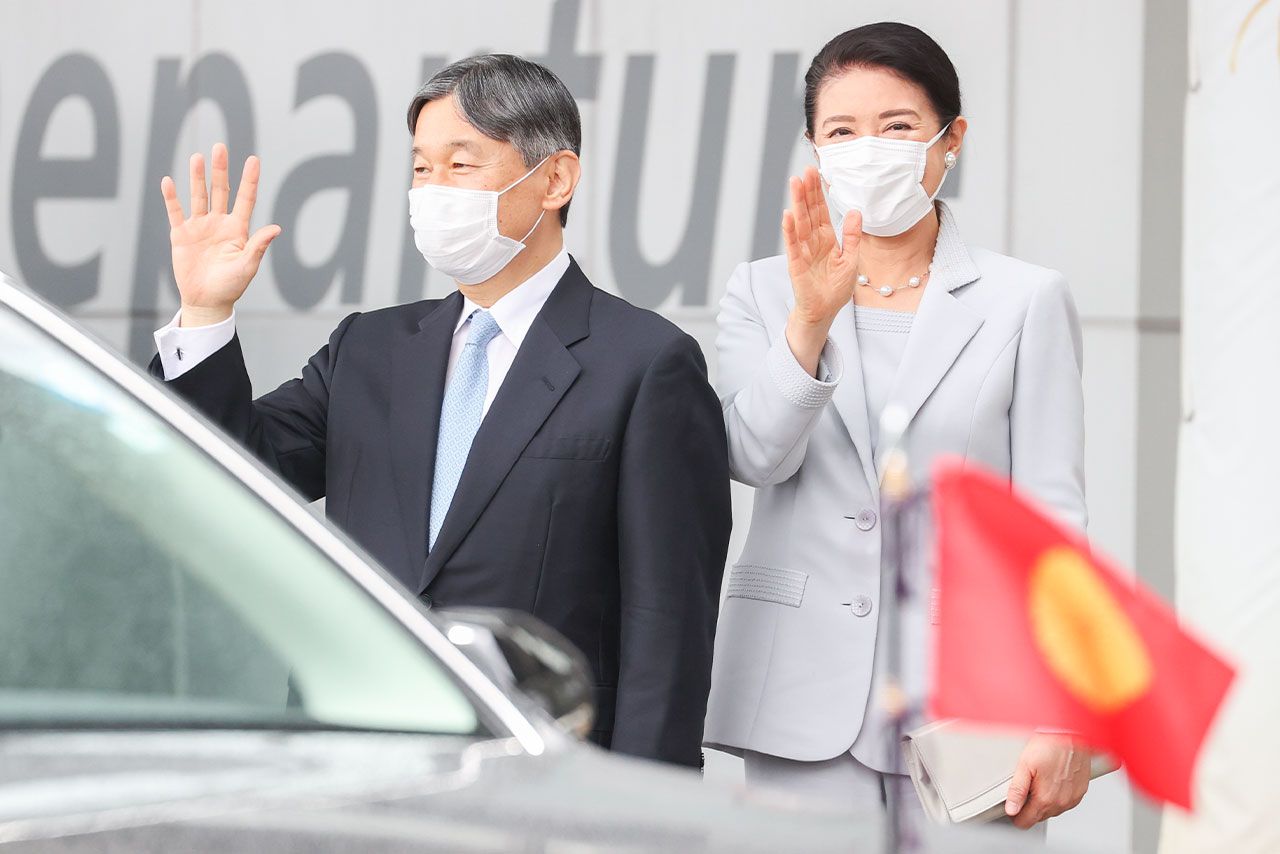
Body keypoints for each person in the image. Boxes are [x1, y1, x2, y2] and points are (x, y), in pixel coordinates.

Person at [150, 54, 732, 768]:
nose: (432, 191)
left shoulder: (645, 362)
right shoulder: (368, 349)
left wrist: (641, 801)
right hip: (359, 751)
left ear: (555, 179)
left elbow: (666, 620)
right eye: (421, 169)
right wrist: (205, 312)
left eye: (461, 164)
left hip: (542, 762)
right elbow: (227, 471)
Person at [702, 22, 1091, 827]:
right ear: (815, 149)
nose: (868, 150)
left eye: (898, 126)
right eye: (842, 131)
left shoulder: (1025, 300)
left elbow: (1051, 519)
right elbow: (752, 456)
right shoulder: (763, 291)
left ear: (951, 140)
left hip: (972, 708)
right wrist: (809, 324)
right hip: (798, 692)